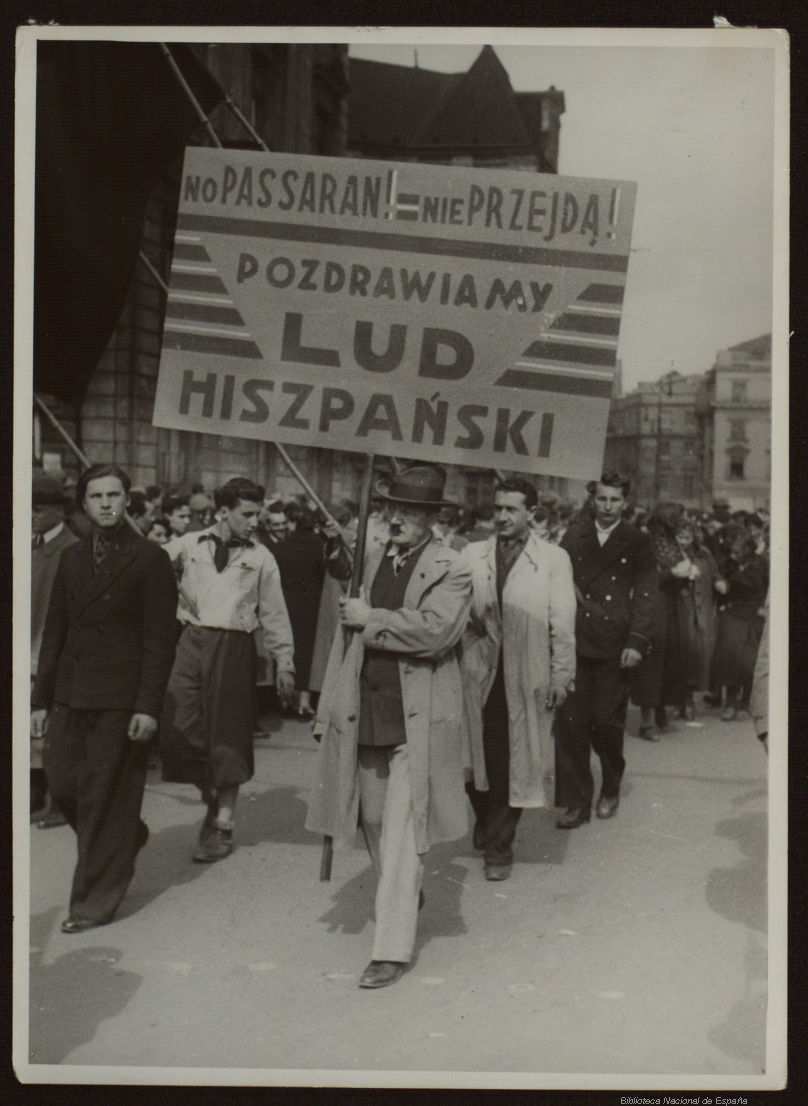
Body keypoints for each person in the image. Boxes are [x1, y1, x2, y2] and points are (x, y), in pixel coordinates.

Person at [306, 463, 473, 989]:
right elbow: (341, 644)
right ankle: (404, 887)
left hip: (415, 717)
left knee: (402, 833)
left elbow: (436, 632)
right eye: (391, 509)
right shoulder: (370, 561)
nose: (396, 519)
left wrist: (369, 618)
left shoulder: (454, 567)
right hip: (363, 711)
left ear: (431, 519)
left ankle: (391, 948)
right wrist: (328, 707)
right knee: (371, 818)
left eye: (409, 511)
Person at [30, 464, 178, 932]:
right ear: (84, 505)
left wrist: (147, 707)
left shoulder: (149, 558)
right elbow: (55, 630)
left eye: (115, 495)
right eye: (97, 497)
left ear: (127, 500)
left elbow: (159, 640)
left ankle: (92, 902)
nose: (107, 504)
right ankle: (124, 837)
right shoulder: (72, 559)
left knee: (103, 796)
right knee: (66, 784)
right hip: (71, 694)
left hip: (120, 697)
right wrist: (40, 700)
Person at [160, 477, 296, 863]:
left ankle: (222, 823)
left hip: (234, 646)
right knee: (177, 726)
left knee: (230, 734)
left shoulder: (261, 558)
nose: (254, 522)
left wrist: (284, 660)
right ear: (223, 511)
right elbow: (146, 564)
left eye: (258, 514)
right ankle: (212, 792)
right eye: (247, 514)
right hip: (190, 642)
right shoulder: (188, 546)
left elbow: (274, 613)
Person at [460, 478, 576, 880]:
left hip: (526, 672)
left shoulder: (552, 559)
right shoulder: (472, 554)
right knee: (473, 759)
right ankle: (486, 818)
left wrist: (562, 674)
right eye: (498, 509)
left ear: (531, 514)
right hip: (478, 669)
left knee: (512, 760)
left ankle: (499, 847)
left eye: (512, 509)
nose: (503, 517)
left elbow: (562, 622)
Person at [554, 471, 657, 828]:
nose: (608, 506)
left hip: (616, 644)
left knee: (606, 722)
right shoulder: (574, 535)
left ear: (625, 502)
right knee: (570, 724)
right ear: (592, 500)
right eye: (602, 499)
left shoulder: (637, 541)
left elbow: (646, 593)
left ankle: (611, 785)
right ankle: (577, 800)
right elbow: (558, 582)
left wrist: (637, 641)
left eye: (614, 500)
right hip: (576, 639)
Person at [30, 470, 80, 826]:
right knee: (33, 730)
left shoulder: (69, 549)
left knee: (50, 731)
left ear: (58, 511)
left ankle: (58, 801)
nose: (31, 513)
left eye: (37, 508)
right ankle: (39, 795)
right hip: (30, 646)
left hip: (52, 649)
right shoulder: (32, 543)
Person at [631, 501, 689, 739]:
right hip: (654, 607)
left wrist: (686, 575)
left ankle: (661, 710)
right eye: (679, 518)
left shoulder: (672, 542)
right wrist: (672, 573)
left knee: (669, 661)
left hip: (671, 606)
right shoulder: (647, 543)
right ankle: (646, 722)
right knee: (651, 664)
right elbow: (646, 577)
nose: (682, 522)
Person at [711, 526, 769, 721]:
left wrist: (765, 607)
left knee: (750, 660)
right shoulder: (728, 564)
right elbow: (719, 583)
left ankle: (748, 700)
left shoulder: (761, 563)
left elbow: (770, 586)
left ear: (748, 550)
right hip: (733, 613)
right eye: (732, 551)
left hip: (754, 614)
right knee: (731, 659)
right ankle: (731, 702)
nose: (734, 555)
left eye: (738, 552)